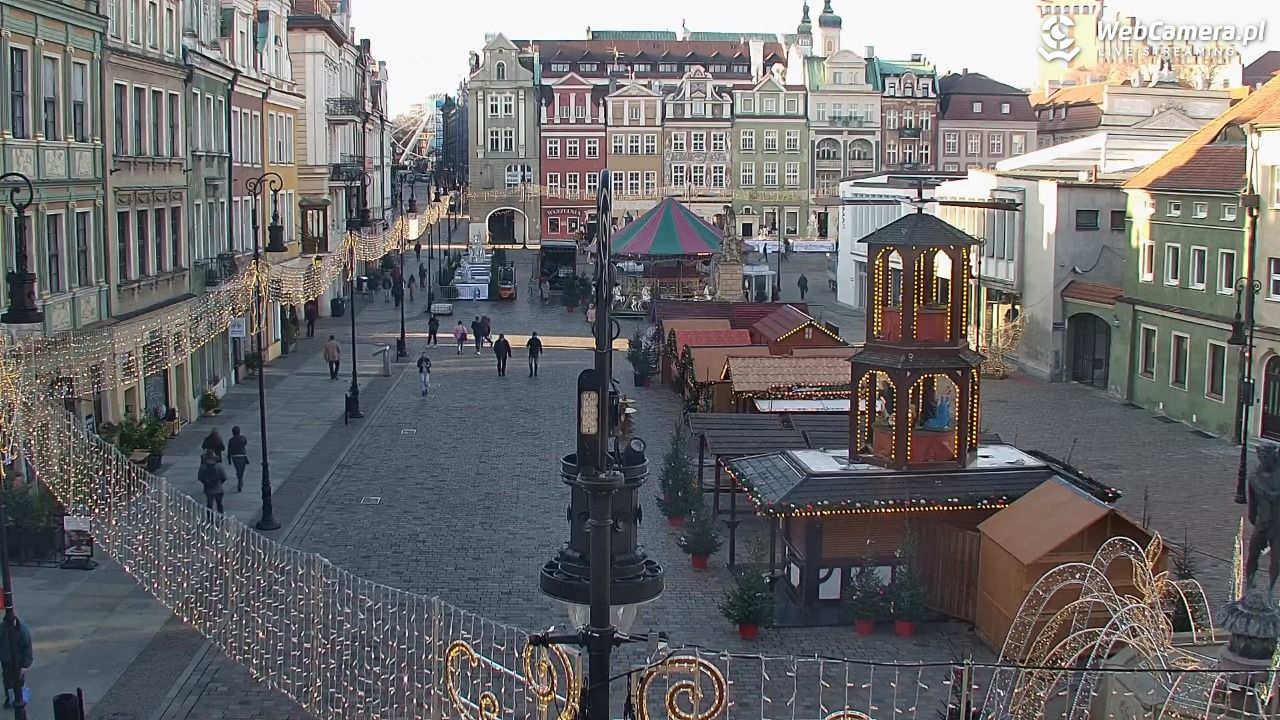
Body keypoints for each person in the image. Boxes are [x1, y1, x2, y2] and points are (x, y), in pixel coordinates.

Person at [0, 614, 32, 709]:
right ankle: (9, 697)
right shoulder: (3, 628)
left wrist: (25, 665)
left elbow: (27, 649)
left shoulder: (22, 631)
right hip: (6, 660)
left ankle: (19, 698)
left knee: (18, 681)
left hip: (18, 662)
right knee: (7, 681)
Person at [227, 426, 249, 493]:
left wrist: (229, 459)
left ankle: (240, 479)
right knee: (241, 469)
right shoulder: (242, 438)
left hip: (234, 457)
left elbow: (229, 450)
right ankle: (240, 481)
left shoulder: (231, 440)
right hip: (242, 456)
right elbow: (245, 443)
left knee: (238, 469)